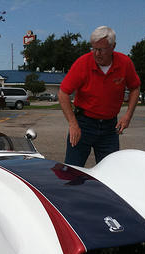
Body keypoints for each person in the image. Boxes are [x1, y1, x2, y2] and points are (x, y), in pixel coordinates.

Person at [58, 26, 140, 167]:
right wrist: (73, 124)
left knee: (110, 172)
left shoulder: (125, 63)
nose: (96, 53)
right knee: (72, 171)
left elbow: (135, 88)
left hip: (109, 128)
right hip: (83, 125)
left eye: (101, 49)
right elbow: (63, 93)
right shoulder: (82, 63)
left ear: (113, 46)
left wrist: (128, 116)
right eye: (93, 48)